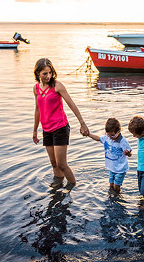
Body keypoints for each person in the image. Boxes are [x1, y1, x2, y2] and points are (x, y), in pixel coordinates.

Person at [33, 58, 89, 192]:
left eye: (50, 73)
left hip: (60, 127)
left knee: (61, 163)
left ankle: (72, 185)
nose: (48, 76)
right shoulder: (36, 89)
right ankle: (58, 185)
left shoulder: (57, 86)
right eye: (44, 74)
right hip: (46, 129)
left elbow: (71, 104)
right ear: (38, 73)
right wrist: (35, 130)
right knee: (53, 163)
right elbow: (37, 109)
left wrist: (82, 123)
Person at [87, 118, 132, 194]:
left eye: (112, 135)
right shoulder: (107, 138)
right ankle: (111, 196)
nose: (110, 137)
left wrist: (128, 153)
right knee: (111, 185)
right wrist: (89, 134)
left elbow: (130, 154)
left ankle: (117, 196)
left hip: (120, 169)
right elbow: (98, 138)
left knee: (116, 186)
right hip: (112, 167)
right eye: (108, 134)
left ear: (119, 132)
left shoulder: (123, 141)